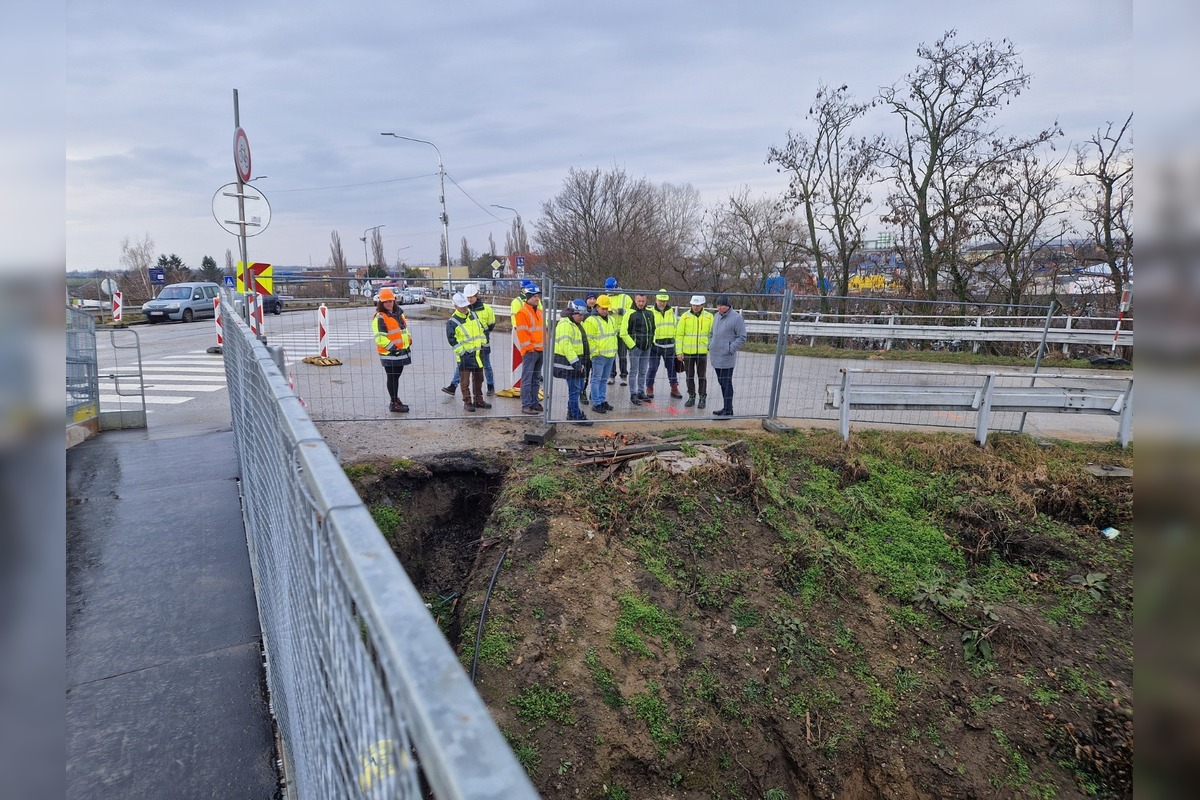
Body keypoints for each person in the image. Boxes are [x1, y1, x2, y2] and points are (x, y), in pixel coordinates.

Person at [441, 283, 497, 397]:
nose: (469, 299)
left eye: (471, 297)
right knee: (462, 367)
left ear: (477, 296)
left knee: (486, 365)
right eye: (468, 297)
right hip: (467, 348)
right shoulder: (463, 310)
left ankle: (490, 386)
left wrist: (482, 339)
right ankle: (453, 386)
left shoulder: (486, 309)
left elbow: (491, 325)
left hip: (482, 345)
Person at [446, 292, 491, 412]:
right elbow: (452, 340)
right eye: (462, 306)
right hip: (465, 356)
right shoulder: (453, 321)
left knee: (479, 379)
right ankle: (467, 402)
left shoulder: (473, 315)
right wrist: (462, 352)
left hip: (477, 354)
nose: (465, 308)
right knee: (464, 382)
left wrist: (484, 345)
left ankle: (478, 400)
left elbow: (481, 330)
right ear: (455, 306)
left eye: (465, 305)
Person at [552, 299, 593, 425]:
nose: (582, 317)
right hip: (570, 363)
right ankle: (576, 416)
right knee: (574, 391)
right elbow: (566, 346)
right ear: (572, 312)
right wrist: (576, 363)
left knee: (577, 388)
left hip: (576, 362)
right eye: (579, 314)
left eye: (583, 315)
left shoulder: (574, 323)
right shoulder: (565, 325)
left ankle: (572, 413)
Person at [372, 287, 413, 413]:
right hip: (390, 354)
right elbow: (380, 339)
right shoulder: (380, 317)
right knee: (392, 377)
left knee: (396, 377)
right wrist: (394, 349)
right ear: (381, 303)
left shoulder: (398, 313)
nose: (388, 304)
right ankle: (394, 402)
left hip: (400, 352)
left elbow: (403, 330)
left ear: (394, 301)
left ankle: (395, 399)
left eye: (390, 301)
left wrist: (409, 339)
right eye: (386, 302)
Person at [708, 295, 747, 417]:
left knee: (726, 383)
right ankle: (726, 408)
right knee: (721, 382)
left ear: (728, 306)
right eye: (718, 305)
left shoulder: (736, 318)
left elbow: (742, 337)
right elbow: (711, 333)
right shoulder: (716, 316)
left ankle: (728, 410)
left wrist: (730, 348)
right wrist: (710, 344)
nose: (719, 308)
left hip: (727, 357)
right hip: (716, 355)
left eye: (722, 306)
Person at [675, 295, 713, 409]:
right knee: (689, 376)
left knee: (702, 376)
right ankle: (691, 396)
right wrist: (679, 351)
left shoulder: (709, 317)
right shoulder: (685, 316)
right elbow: (679, 335)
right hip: (688, 352)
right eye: (694, 305)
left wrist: (709, 347)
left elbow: (712, 335)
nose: (696, 307)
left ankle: (702, 397)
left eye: (698, 305)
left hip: (702, 352)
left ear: (702, 305)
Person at [582, 294, 618, 413]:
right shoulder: (591, 320)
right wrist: (596, 352)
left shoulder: (612, 319)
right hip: (599, 355)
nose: (605, 311)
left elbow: (613, 336)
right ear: (597, 307)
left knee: (603, 379)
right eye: (603, 308)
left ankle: (602, 401)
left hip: (610, 354)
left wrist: (614, 350)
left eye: (607, 308)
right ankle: (596, 403)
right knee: (596, 379)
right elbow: (589, 339)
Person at [513, 284, 545, 415]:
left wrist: (545, 344)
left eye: (538, 296)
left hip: (540, 349)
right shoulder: (522, 312)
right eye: (535, 296)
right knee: (527, 379)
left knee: (536, 378)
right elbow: (522, 333)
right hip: (530, 351)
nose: (537, 299)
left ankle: (534, 402)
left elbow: (543, 330)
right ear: (529, 297)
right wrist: (529, 348)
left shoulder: (539, 311)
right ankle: (526, 405)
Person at [646, 290, 682, 399]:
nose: (662, 303)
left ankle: (674, 387)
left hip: (669, 345)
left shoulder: (671, 312)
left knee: (672, 368)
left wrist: (677, 347)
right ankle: (649, 386)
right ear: (656, 300)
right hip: (655, 346)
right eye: (660, 300)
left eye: (664, 301)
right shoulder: (650, 312)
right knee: (652, 367)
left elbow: (676, 329)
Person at [624, 292, 654, 405]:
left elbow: (653, 329)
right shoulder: (630, 313)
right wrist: (632, 345)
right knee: (634, 371)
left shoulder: (649, 313)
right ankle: (633, 393)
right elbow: (623, 332)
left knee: (643, 371)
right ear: (635, 301)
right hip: (635, 347)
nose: (641, 303)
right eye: (639, 301)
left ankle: (641, 391)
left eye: (643, 301)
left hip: (647, 347)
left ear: (646, 301)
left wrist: (651, 341)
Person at [604, 277, 633, 385]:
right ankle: (611, 375)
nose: (609, 293)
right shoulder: (606, 297)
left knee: (622, 355)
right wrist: (608, 312)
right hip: (610, 331)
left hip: (622, 331)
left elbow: (632, 312)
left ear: (616, 286)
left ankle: (624, 376)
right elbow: (603, 309)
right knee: (611, 354)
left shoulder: (626, 298)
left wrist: (622, 311)